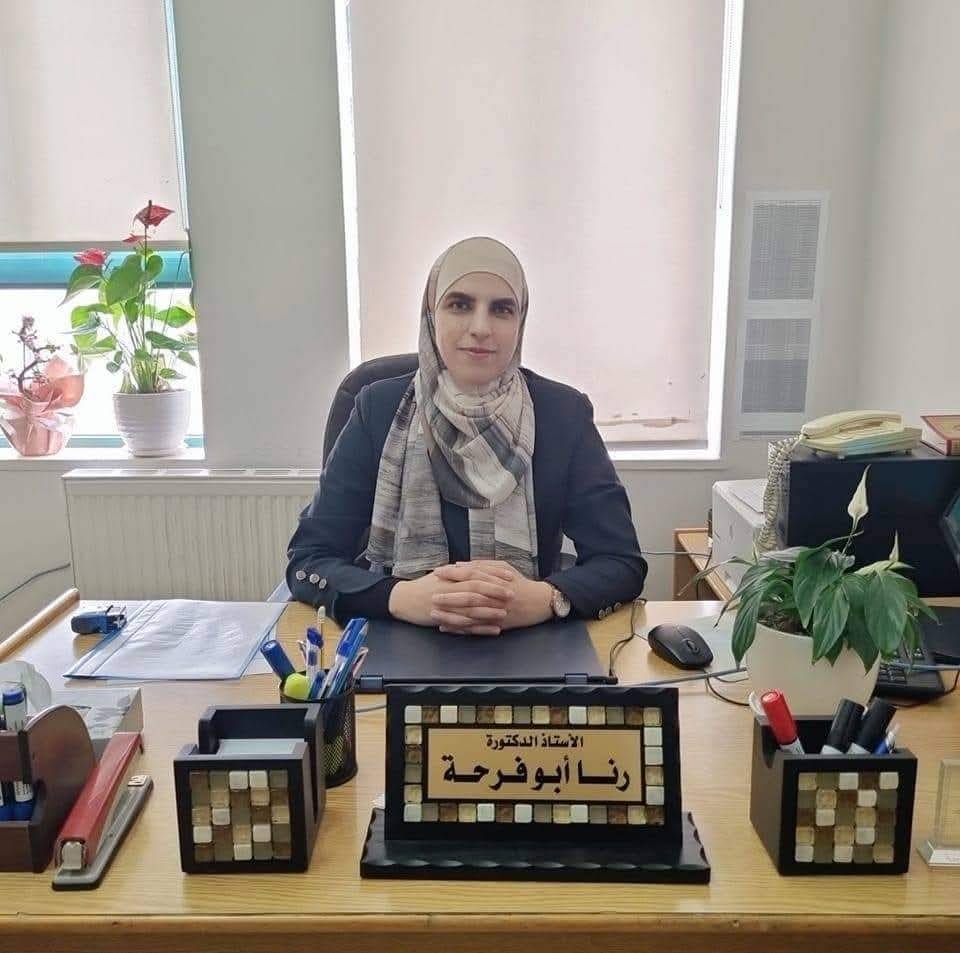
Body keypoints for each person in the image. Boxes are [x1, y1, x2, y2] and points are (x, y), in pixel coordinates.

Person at [286, 236, 646, 634]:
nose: (480, 328)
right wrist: (401, 598)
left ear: (521, 322)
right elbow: (309, 558)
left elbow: (621, 562)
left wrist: (547, 599)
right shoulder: (377, 407)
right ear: (432, 314)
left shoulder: (563, 414)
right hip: (396, 634)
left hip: (527, 637)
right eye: (459, 305)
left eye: (502, 309)